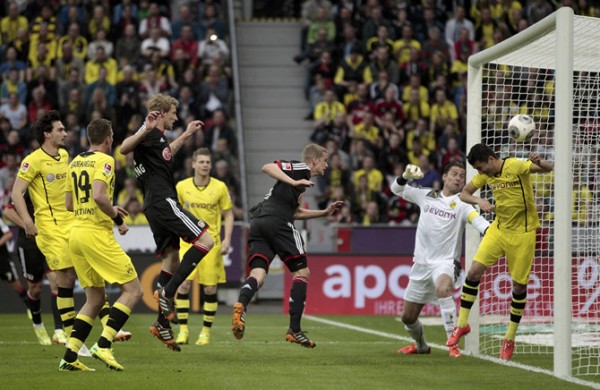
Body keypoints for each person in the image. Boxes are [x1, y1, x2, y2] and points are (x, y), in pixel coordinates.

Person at [120, 94, 215, 352]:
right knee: (207, 240)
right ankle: (167, 294)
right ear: (161, 112)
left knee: (171, 259)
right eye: (173, 112)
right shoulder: (148, 132)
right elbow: (123, 148)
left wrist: (185, 135)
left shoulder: (157, 140)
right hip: (163, 200)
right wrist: (144, 127)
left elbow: (166, 153)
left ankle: (162, 324)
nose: (176, 116)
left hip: (154, 204)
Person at [446, 143, 553, 360]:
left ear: (491, 159)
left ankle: (509, 337)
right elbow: (464, 194)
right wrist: (479, 200)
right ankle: (462, 324)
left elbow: (548, 168)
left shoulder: (515, 166)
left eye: (481, 167)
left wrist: (540, 161)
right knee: (473, 272)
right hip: (499, 229)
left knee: (519, 285)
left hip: (523, 234)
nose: (480, 172)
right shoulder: (486, 176)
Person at [231, 144, 343, 348]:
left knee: (258, 275)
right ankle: (295, 329)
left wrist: (324, 212)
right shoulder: (300, 168)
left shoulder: (301, 181)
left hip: (259, 222)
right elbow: (267, 167)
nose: (327, 165)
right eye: (325, 160)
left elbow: (296, 212)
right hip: (278, 221)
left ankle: (241, 305)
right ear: (315, 159)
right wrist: (294, 180)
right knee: (302, 272)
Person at [59, 118, 143, 371]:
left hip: (76, 234)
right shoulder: (106, 161)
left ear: (88, 138)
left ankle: (69, 357)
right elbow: (97, 195)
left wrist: (105, 206)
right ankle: (104, 344)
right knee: (134, 290)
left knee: (94, 298)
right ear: (108, 139)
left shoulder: (74, 162)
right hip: (96, 234)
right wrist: (116, 217)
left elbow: (69, 205)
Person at [391, 161, 489, 358]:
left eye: (462, 176)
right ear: (444, 177)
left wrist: (490, 231)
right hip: (421, 264)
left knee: (443, 288)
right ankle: (421, 346)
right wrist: (406, 175)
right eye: (454, 174)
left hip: (445, 262)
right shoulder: (428, 195)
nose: (458, 178)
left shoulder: (463, 204)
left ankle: (453, 345)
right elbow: (396, 189)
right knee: (408, 318)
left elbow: (477, 220)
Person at [11, 111, 78, 341]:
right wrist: (27, 222)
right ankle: (46, 326)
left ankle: (63, 331)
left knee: (64, 280)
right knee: (41, 286)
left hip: (66, 228)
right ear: (47, 134)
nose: (65, 133)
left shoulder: (65, 155)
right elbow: (15, 195)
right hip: (41, 232)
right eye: (60, 129)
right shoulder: (32, 161)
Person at [174, 148, 234, 346]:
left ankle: (205, 332)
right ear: (193, 164)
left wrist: (227, 240)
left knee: (210, 288)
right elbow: (174, 212)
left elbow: (228, 214)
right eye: (201, 162)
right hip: (187, 242)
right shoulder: (182, 187)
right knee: (183, 284)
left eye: (208, 162)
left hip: (212, 243)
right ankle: (183, 331)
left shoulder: (220, 187)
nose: (205, 165)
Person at [4, 197, 66, 345]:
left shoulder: (54, 183)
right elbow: (8, 212)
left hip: (50, 240)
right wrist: (27, 225)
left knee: (57, 282)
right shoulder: (28, 186)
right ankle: (38, 325)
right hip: (29, 244)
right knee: (35, 289)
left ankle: (59, 330)